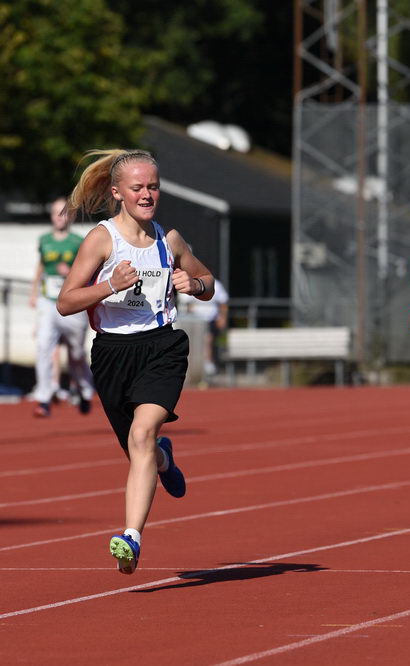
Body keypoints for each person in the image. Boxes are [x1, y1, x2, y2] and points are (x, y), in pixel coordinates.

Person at [57, 149, 216, 574]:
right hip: (113, 354)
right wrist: (110, 285)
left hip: (163, 348)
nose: (147, 195)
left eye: (153, 187)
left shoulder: (170, 241)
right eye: (138, 188)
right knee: (139, 449)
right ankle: (164, 459)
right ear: (117, 193)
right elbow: (66, 302)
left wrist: (194, 283)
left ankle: (131, 537)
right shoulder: (102, 240)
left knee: (143, 433)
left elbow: (209, 284)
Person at [28, 197, 96, 417]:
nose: (59, 217)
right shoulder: (44, 240)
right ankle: (44, 398)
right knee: (43, 347)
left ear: (70, 216)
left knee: (76, 353)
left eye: (63, 212)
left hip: (72, 303)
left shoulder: (78, 241)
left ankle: (85, 390)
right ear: (51, 216)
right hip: (48, 301)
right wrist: (34, 293)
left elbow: (88, 270)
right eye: (56, 213)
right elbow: (41, 266)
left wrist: (71, 272)